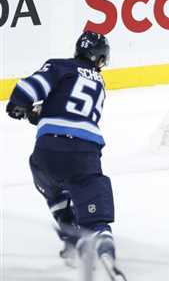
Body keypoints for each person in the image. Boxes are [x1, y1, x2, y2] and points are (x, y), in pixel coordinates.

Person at [5, 31, 117, 267]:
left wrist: (20, 104)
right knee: (92, 204)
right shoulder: (99, 84)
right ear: (100, 59)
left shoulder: (60, 66)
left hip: (47, 152)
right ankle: (102, 241)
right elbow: (72, 113)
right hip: (84, 153)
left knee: (52, 186)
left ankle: (71, 237)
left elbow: (28, 89)